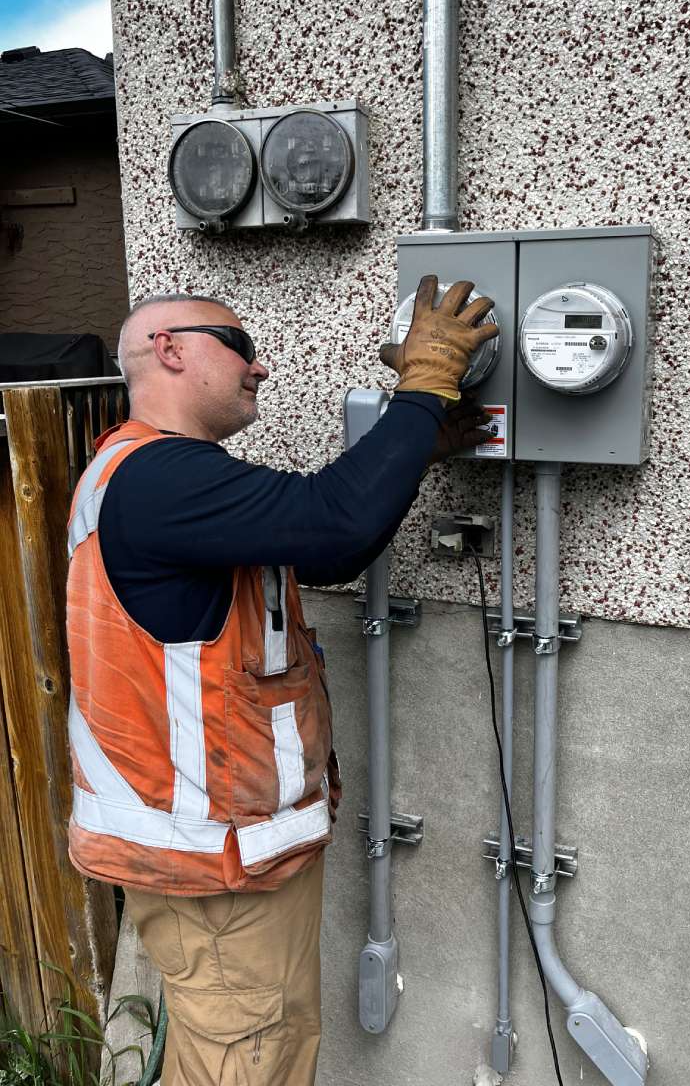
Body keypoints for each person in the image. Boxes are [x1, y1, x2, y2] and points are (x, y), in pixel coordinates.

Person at [65, 277, 498, 1086]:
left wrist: (416, 446)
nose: (260, 367)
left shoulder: (174, 481)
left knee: (253, 1048)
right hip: (211, 861)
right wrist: (426, 377)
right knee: (247, 1062)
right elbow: (333, 517)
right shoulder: (158, 479)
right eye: (241, 347)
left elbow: (332, 547)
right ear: (170, 349)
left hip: (229, 854)